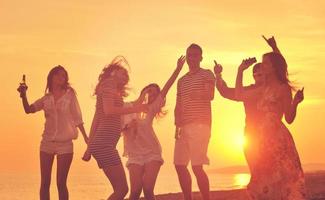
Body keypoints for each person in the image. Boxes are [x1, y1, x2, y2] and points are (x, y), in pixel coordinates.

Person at [214, 36, 304, 174]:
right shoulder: (254, 90)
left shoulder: (279, 87)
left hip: (275, 137)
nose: (259, 76)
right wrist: (224, 74)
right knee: (259, 177)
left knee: (279, 176)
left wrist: (275, 48)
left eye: (261, 72)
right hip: (254, 136)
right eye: (256, 75)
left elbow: (279, 66)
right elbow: (228, 92)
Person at [235, 51, 308, 199]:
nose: (262, 66)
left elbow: (289, 118)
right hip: (262, 141)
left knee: (284, 182)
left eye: (266, 63)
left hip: (279, 141)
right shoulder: (263, 88)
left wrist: (295, 103)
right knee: (262, 183)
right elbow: (239, 95)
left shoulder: (283, 88)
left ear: (274, 67)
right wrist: (240, 70)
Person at [17, 65, 88, 200]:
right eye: (59, 75)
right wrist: (23, 95)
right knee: (45, 183)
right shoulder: (46, 98)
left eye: (64, 76)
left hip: (65, 144)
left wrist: (86, 137)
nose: (62, 78)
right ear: (52, 77)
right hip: (47, 143)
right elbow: (29, 109)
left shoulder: (70, 95)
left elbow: (78, 118)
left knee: (61, 183)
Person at [83, 56, 147, 200]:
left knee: (121, 189)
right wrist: (137, 108)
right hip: (104, 145)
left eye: (127, 75)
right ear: (113, 71)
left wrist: (89, 148)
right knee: (122, 189)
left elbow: (97, 119)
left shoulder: (109, 88)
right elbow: (109, 111)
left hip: (103, 145)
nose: (126, 76)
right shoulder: (109, 84)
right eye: (123, 72)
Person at [122, 56, 186, 200]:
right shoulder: (128, 107)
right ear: (143, 91)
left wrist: (177, 70)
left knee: (148, 189)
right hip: (134, 154)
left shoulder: (151, 108)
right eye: (149, 91)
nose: (151, 94)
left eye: (155, 92)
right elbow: (118, 127)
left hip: (152, 152)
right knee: (135, 191)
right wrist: (127, 126)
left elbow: (167, 87)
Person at [174, 44, 215, 200]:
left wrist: (197, 94)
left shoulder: (206, 74)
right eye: (189, 55)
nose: (191, 58)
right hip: (182, 127)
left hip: (201, 125)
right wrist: (176, 124)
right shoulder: (181, 81)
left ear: (201, 57)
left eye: (195, 55)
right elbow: (178, 104)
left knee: (197, 167)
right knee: (179, 165)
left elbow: (210, 94)